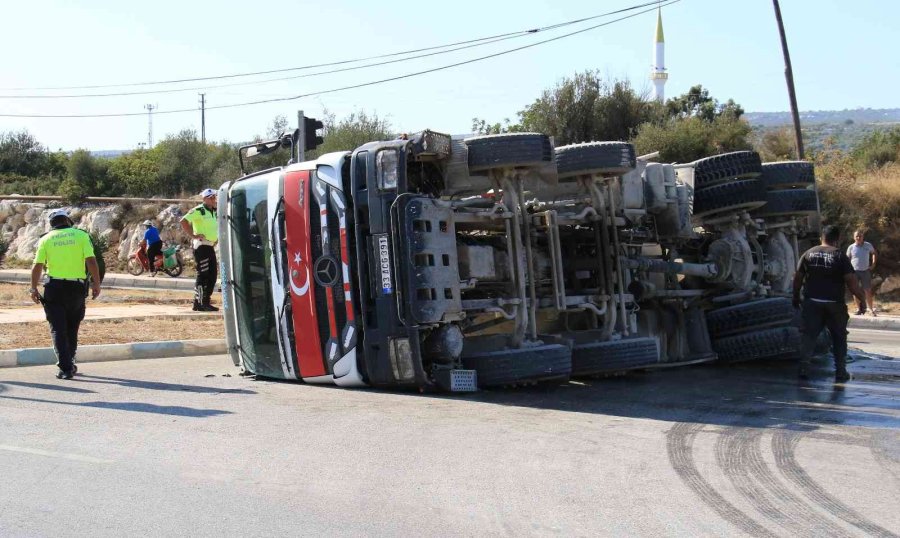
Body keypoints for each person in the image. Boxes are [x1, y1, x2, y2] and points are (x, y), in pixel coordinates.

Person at [30, 209, 102, 380]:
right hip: (76, 288)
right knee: (72, 327)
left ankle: (66, 368)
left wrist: (33, 288)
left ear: (51, 224)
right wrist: (96, 283)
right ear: (68, 221)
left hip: (54, 288)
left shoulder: (45, 239)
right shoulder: (80, 235)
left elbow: (37, 265)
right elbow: (91, 261)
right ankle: (69, 360)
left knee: (58, 328)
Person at [793, 225, 867, 383]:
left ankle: (804, 368)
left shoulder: (808, 253)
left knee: (809, 335)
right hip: (835, 304)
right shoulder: (840, 256)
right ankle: (840, 371)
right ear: (837, 240)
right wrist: (862, 301)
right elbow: (852, 284)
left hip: (812, 302)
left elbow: (798, 278)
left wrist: (795, 296)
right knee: (839, 337)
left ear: (822, 238)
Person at [180, 188, 219, 312]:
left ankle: (203, 302)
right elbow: (184, 221)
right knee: (203, 275)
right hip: (201, 247)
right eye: (211, 197)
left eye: (214, 197)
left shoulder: (214, 211)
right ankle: (201, 303)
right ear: (205, 199)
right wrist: (193, 235)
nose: (214, 200)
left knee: (212, 275)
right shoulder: (199, 210)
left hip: (210, 246)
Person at [846, 229, 878, 316]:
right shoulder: (851, 247)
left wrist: (873, 263)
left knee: (868, 290)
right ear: (854, 237)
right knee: (855, 291)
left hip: (865, 271)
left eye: (860, 236)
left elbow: (874, 253)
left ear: (863, 237)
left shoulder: (868, 245)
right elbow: (847, 259)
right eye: (857, 236)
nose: (858, 238)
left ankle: (870, 309)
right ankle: (859, 309)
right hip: (854, 272)